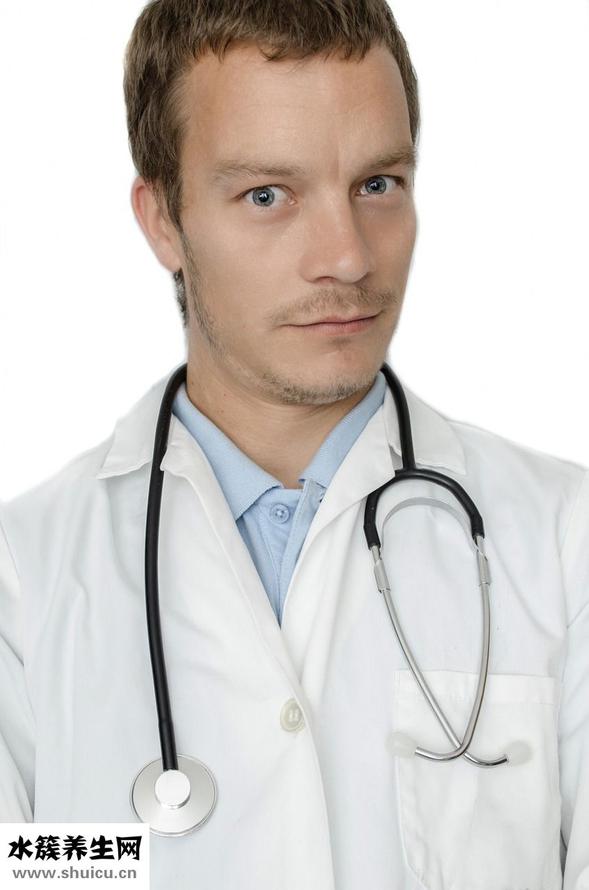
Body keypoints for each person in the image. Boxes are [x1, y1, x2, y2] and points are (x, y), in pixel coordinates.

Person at [0, 1, 587, 888]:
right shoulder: (24, 582)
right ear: (162, 221)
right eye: (266, 196)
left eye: (377, 184)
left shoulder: (563, 541)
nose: (347, 257)